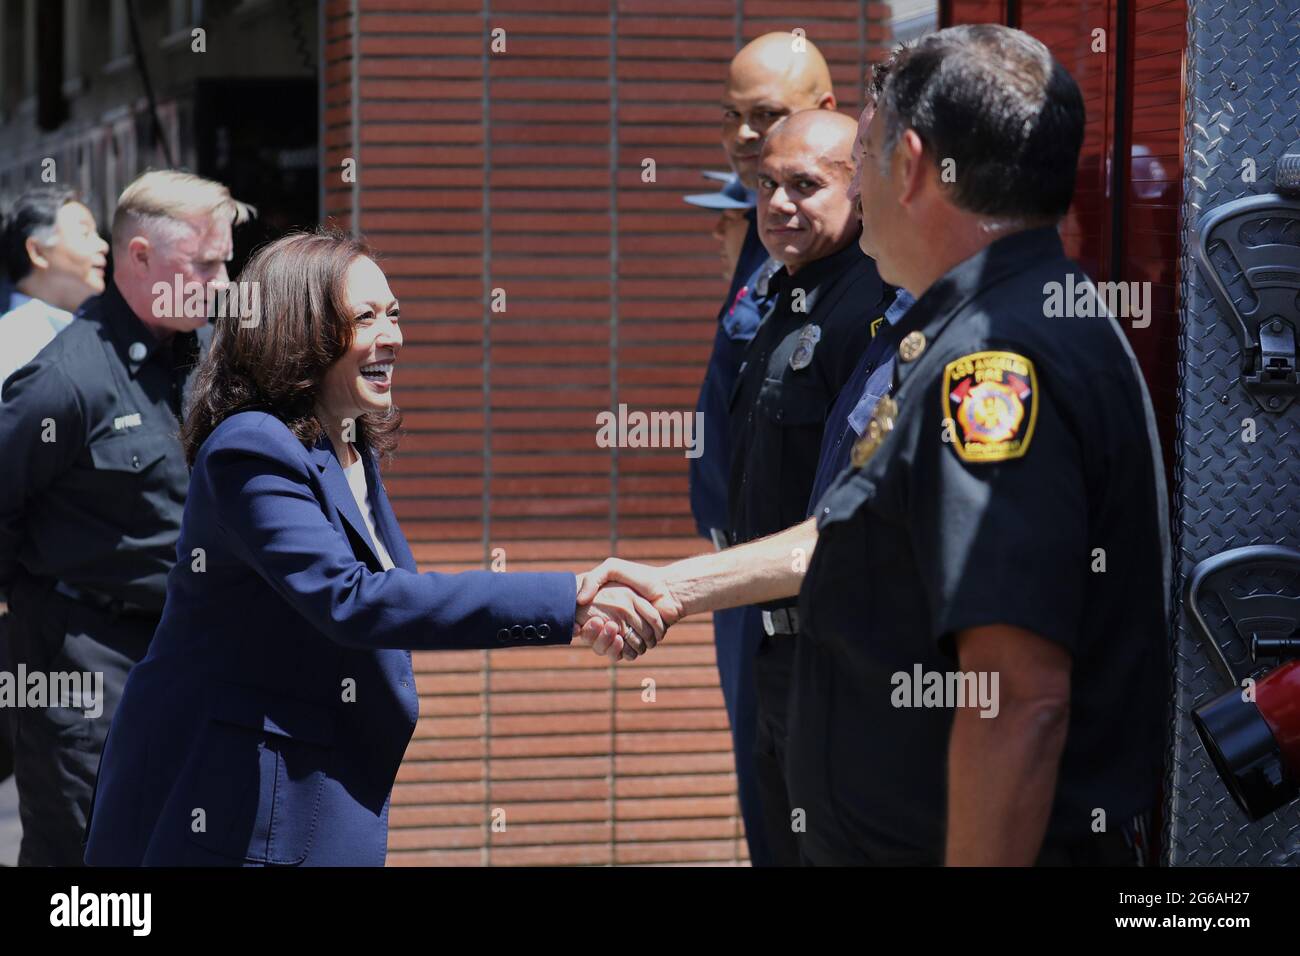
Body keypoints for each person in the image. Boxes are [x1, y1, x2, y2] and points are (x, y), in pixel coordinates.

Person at [581, 25, 1169, 867]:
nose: (852, 185)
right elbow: (860, 532)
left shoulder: (995, 365)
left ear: (915, 165)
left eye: (860, 154)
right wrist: (678, 585)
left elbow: (1016, 697)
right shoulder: (988, 323)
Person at [83, 230, 657, 867]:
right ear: (297, 330)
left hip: (310, 782)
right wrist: (567, 597)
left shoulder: (343, 441)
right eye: (365, 317)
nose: (394, 336)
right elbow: (351, 599)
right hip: (236, 802)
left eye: (395, 314)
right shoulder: (251, 447)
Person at [0, 170, 253, 866]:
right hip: (81, 663)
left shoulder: (201, 361)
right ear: (139, 257)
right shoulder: (66, 379)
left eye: (226, 260)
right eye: (205, 263)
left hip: (181, 650)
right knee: (87, 861)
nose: (224, 281)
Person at [688, 30, 837, 867]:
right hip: (743, 583)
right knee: (765, 812)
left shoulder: (844, 247)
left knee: (802, 820)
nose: (747, 137)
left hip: (799, 589)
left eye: (768, 115)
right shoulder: (761, 229)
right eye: (733, 119)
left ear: (825, 110)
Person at [727, 108, 891, 864]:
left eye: (805, 185)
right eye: (766, 184)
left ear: (861, 191)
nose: (779, 203)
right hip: (772, 650)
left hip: (832, 655)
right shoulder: (789, 293)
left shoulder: (869, 307)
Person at [0, 187, 108, 395]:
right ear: (38, 252)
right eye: (85, 234)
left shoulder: (97, 328)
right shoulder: (9, 343)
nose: (103, 245)